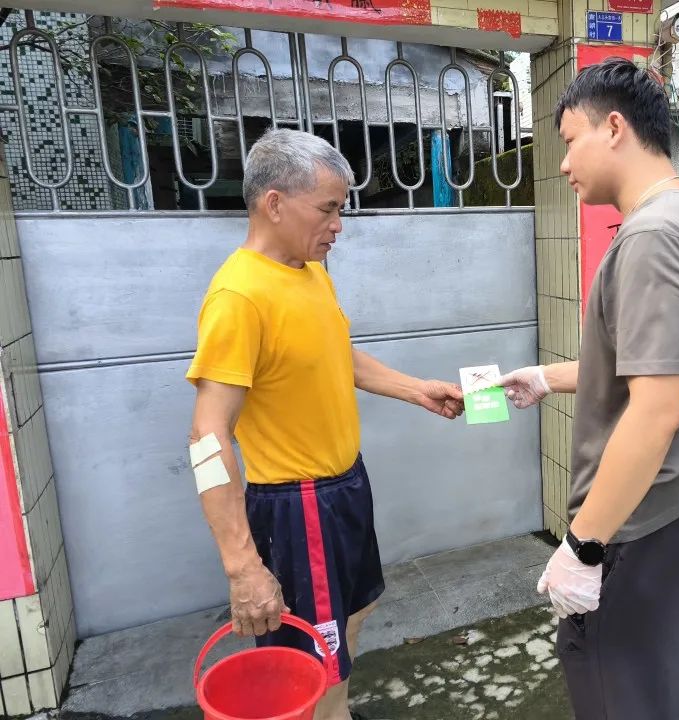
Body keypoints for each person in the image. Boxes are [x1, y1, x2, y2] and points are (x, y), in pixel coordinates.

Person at [185, 128, 463, 720]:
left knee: (351, 619)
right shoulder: (239, 296)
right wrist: (243, 566)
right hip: (298, 506)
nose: (339, 225)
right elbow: (207, 437)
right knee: (310, 658)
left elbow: (336, 354)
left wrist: (417, 389)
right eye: (328, 209)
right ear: (275, 204)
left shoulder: (309, 272)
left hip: (344, 487)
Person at [498, 57, 679, 719]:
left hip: (644, 519)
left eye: (569, 140)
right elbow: (654, 369)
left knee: (621, 691)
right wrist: (546, 377)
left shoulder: (654, 236)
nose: (564, 163)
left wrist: (583, 545)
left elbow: (656, 411)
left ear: (613, 127)